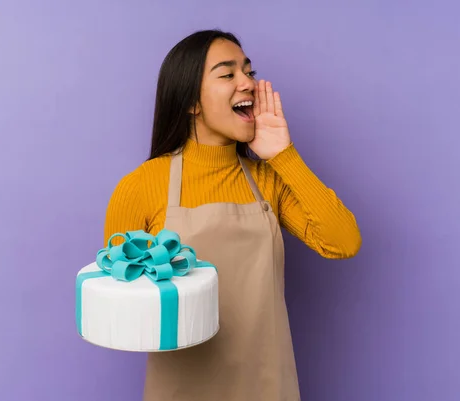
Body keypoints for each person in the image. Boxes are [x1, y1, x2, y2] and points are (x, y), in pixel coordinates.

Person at [103, 29, 361, 401]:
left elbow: (344, 241)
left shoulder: (268, 180)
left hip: (267, 384)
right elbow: (121, 308)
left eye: (249, 73)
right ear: (192, 101)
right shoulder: (141, 186)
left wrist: (283, 155)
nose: (249, 84)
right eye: (228, 74)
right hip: (182, 388)